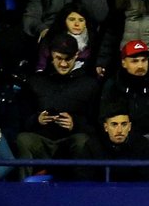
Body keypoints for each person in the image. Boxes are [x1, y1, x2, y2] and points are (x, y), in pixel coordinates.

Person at [16, 33, 99, 171]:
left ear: (77, 55)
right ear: (51, 54)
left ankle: (79, 190)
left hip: (71, 143)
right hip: (41, 142)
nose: (63, 64)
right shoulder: (36, 81)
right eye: (59, 58)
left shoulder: (89, 84)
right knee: (23, 139)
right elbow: (20, 118)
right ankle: (26, 189)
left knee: (82, 141)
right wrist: (37, 119)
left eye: (68, 59)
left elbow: (97, 124)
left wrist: (75, 124)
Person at [99, 40, 149, 160]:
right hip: (118, 138)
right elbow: (102, 118)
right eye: (135, 61)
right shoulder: (113, 86)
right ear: (124, 62)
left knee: (148, 146)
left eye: (144, 60)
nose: (140, 66)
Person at [80, 103, 149, 181]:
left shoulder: (142, 145)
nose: (119, 130)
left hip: (132, 192)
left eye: (124, 124)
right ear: (106, 127)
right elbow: (86, 181)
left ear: (129, 126)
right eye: (114, 124)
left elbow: (147, 181)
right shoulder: (92, 146)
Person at [35, 4, 96, 74]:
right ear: (64, 20)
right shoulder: (52, 37)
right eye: (72, 19)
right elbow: (41, 66)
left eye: (81, 20)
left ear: (86, 23)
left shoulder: (92, 40)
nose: (77, 24)